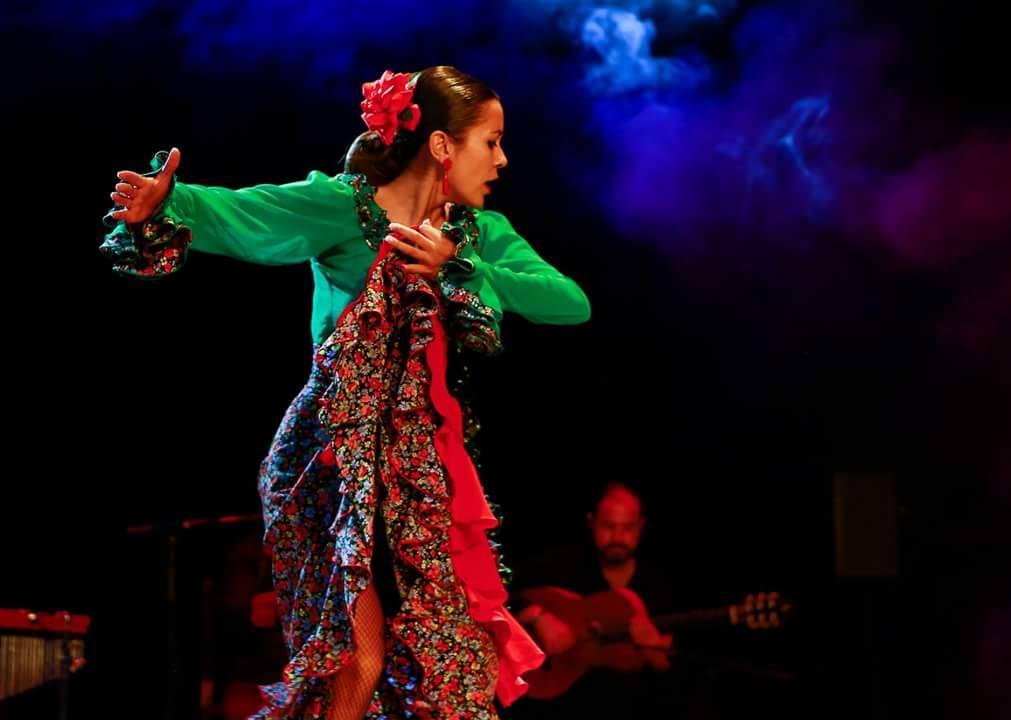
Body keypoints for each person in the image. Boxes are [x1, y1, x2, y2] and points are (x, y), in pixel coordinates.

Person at [101, 65, 591, 720]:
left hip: (418, 470)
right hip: (332, 460)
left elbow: (571, 304)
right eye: (491, 142)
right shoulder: (344, 208)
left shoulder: (478, 236)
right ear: (443, 146)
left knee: (460, 658)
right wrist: (170, 202)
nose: (503, 159)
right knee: (356, 661)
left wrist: (461, 267)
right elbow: (246, 213)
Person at [509, 483, 678, 719]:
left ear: (640, 527)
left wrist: (654, 650)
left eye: (627, 528)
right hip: (557, 708)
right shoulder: (558, 566)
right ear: (592, 522)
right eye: (609, 526)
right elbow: (501, 596)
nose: (618, 537)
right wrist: (538, 616)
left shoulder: (659, 586)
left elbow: (675, 675)